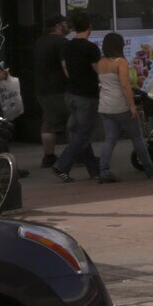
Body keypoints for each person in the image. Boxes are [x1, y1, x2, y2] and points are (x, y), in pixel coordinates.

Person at [54, 13, 107, 182]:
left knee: (79, 132)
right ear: (89, 27)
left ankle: (94, 170)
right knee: (83, 134)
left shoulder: (67, 47)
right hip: (87, 95)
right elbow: (98, 70)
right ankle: (61, 165)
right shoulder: (91, 48)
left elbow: (66, 69)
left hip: (70, 94)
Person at [95, 32, 153, 178]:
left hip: (105, 106)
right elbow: (125, 85)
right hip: (121, 105)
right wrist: (132, 106)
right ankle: (148, 167)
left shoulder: (101, 63)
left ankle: (103, 170)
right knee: (136, 137)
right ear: (120, 45)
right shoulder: (121, 62)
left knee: (110, 139)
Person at [31, 15, 69, 174]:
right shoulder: (62, 43)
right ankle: (80, 153)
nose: (68, 26)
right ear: (59, 26)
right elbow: (66, 66)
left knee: (49, 123)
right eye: (66, 24)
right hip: (61, 89)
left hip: (42, 89)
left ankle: (48, 156)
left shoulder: (39, 42)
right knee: (77, 121)